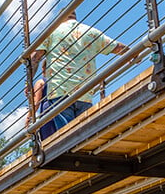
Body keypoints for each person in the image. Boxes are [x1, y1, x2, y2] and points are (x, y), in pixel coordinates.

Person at [26, 11, 127, 139]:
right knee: (82, 137)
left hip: (60, 92)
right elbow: (117, 47)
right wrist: (133, 53)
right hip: (85, 94)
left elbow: (35, 58)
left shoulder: (52, 32)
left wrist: (28, 83)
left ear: (60, 18)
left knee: (66, 139)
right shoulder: (91, 32)